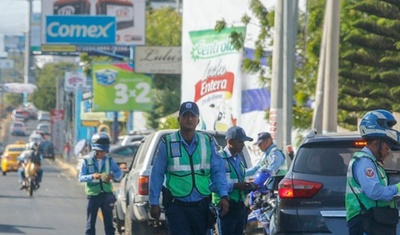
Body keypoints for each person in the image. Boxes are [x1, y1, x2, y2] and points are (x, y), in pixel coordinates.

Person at [149, 101, 230, 235]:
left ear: (198, 120)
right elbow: (157, 174)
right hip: (177, 206)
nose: (189, 119)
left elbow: (218, 171)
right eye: (185, 116)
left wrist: (224, 195)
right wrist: (154, 202)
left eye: (193, 116)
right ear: (179, 119)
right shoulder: (167, 142)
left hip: (202, 206)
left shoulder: (207, 141)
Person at [346, 109, 400, 235]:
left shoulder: (372, 162)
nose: (388, 153)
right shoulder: (365, 162)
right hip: (365, 222)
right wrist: (398, 188)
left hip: (373, 221)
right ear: (376, 144)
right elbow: (374, 192)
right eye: (387, 148)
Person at [210, 126, 257, 235]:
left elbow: (240, 183)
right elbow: (211, 185)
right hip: (225, 207)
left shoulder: (239, 160)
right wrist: (235, 186)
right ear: (230, 141)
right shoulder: (219, 158)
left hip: (239, 208)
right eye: (240, 141)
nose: (243, 145)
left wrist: (248, 187)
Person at [78, 132, 123, 235]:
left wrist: (113, 176)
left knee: (109, 224)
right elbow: (81, 178)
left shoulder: (109, 161)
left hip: (107, 195)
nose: (102, 153)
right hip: (93, 196)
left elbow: (119, 173)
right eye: (100, 151)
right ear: (95, 149)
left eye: (104, 151)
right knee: (90, 224)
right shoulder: (86, 161)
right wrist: (92, 176)